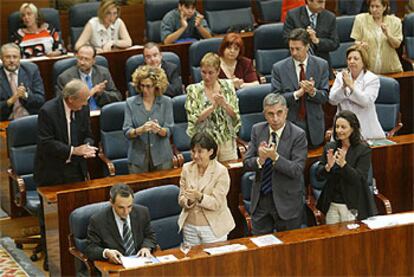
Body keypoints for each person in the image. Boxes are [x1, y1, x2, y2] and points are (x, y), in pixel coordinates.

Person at [243, 93, 307, 234]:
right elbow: (246, 163)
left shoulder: (298, 135)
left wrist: (275, 158)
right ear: (265, 114)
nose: (276, 118)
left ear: (286, 112)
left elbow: (297, 170)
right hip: (261, 200)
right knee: (261, 249)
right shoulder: (257, 130)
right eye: (271, 114)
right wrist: (260, 160)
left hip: (287, 201)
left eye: (279, 113)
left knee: (288, 250)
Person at [271, 28, 329, 148]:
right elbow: (275, 99)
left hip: (314, 126)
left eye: (298, 49)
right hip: (291, 125)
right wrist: (297, 93)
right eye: (291, 48)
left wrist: (312, 92)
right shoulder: (279, 68)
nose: (294, 53)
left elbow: (324, 97)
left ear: (307, 47)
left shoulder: (321, 65)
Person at [34, 79, 97, 186]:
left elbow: (87, 134)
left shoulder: (83, 108)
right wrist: (73, 150)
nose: (86, 103)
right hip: (53, 170)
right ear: (71, 99)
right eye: (83, 100)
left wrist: (87, 146)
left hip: (77, 168)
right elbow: (46, 143)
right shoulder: (48, 111)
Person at [316, 110, 374, 224]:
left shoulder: (363, 149)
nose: (339, 130)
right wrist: (328, 167)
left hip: (352, 204)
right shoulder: (330, 147)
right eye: (337, 127)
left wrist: (343, 165)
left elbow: (359, 178)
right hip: (332, 202)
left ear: (352, 128)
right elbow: (319, 175)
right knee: (332, 238)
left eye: (343, 127)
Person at [178, 132, 235, 246]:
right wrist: (188, 200)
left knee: (216, 263)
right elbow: (181, 198)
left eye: (200, 151)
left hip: (213, 228)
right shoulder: (186, 168)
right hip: (190, 227)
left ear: (211, 151)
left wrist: (199, 196)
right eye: (193, 151)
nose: (195, 156)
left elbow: (216, 203)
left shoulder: (221, 172)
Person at [186, 52, 241, 162]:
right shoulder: (193, 90)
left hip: (226, 139)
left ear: (218, 72)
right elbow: (194, 118)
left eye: (211, 73)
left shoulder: (228, 86)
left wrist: (224, 104)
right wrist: (212, 107)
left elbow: (235, 114)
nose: (207, 76)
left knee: (228, 173)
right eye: (203, 72)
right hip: (204, 143)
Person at [85, 183, 157, 263]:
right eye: (121, 207)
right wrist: (106, 252)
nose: (126, 212)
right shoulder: (98, 220)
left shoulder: (142, 212)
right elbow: (90, 248)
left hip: (140, 262)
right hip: (116, 265)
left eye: (129, 206)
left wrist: (146, 247)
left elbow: (150, 235)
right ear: (111, 203)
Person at [123, 65, 174, 174]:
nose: (145, 89)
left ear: (156, 86)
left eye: (148, 86)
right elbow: (127, 131)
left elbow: (169, 130)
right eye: (142, 86)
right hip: (138, 158)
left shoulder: (166, 102)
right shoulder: (130, 103)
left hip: (162, 156)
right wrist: (140, 130)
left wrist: (159, 130)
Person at [329, 45, 385, 140]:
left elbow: (366, 101)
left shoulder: (372, 79)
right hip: (343, 129)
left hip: (366, 129)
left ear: (363, 61)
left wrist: (351, 86)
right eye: (349, 58)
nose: (351, 61)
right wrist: (343, 87)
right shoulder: (340, 77)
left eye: (356, 58)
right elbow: (332, 100)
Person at [56, 44, 122, 110]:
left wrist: (101, 93)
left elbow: (117, 97)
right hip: (79, 115)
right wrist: (89, 94)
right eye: (80, 58)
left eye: (86, 59)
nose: (82, 62)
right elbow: (62, 105)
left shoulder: (103, 73)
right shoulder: (65, 78)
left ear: (93, 60)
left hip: (100, 114)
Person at [283, 0, 339, 77]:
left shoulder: (330, 17)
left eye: (323, 2)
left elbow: (335, 43)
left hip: (322, 62)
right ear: (309, 1)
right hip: (297, 62)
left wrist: (317, 41)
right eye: (319, 2)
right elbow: (286, 40)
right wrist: (302, 37)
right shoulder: (293, 15)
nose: (322, 6)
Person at [351, 0, 403, 74]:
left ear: (384, 7)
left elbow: (397, 45)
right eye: (372, 6)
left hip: (390, 69)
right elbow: (356, 41)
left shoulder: (395, 21)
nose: (374, 9)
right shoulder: (360, 19)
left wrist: (388, 34)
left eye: (377, 6)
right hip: (368, 70)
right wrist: (360, 44)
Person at [0, 43, 45, 121]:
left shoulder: (31, 70)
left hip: (30, 118)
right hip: (6, 121)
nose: (12, 60)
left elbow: (40, 100)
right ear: (1, 58)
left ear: (20, 58)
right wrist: (10, 101)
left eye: (15, 57)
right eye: (7, 57)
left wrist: (25, 95)